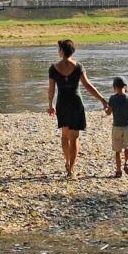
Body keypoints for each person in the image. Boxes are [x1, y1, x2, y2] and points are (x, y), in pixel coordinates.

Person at [47, 39, 108, 178]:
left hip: (62, 103)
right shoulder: (79, 66)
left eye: (59, 49)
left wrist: (50, 105)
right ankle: (71, 169)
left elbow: (51, 90)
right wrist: (102, 99)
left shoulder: (53, 68)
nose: (58, 51)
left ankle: (67, 161)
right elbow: (88, 86)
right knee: (74, 137)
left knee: (64, 135)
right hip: (76, 103)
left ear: (62, 51)